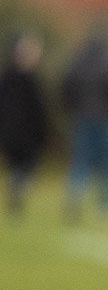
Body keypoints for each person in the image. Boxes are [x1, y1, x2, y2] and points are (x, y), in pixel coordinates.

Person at [60, 26, 108, 219]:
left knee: (81, 161)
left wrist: (72, 109)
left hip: (82, 118)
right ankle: (106, 208)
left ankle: (75, 195)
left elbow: (66, 89)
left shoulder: (78, 65)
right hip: (107, 119)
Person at [0, 33, 50, 217]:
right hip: (25, 133)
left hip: (11, 132)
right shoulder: (28, 80)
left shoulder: (8, 77)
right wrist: (43, 133)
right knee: (26, 166)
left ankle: (16, 188)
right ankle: (17, 188)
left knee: (19, 166)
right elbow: (38, 109)